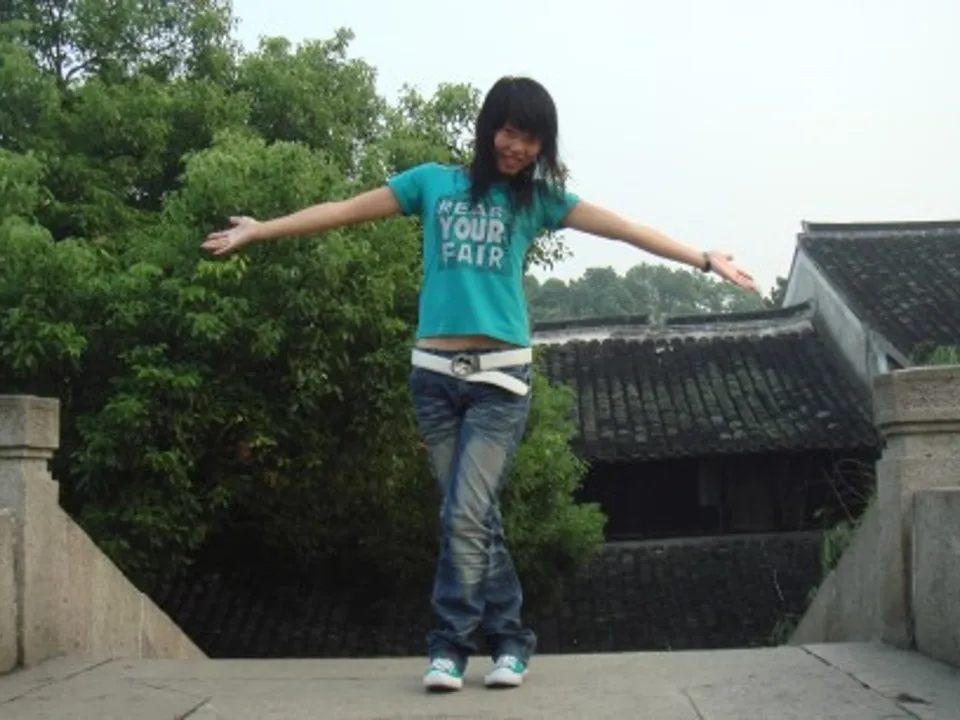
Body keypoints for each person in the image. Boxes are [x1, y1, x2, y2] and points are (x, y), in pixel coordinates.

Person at [201, 75, 758, 692]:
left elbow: (622, 228)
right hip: (434, 378)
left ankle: (449, 647)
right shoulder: (431, 183)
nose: (518, 147)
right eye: (511, 132)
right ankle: (512, 641)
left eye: (532, 139)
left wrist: (703, 259)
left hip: (500, 381)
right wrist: (261, 228)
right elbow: (342, 211)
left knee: (464, 514)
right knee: (471, 516)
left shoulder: (537, 200)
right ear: (490, 128)